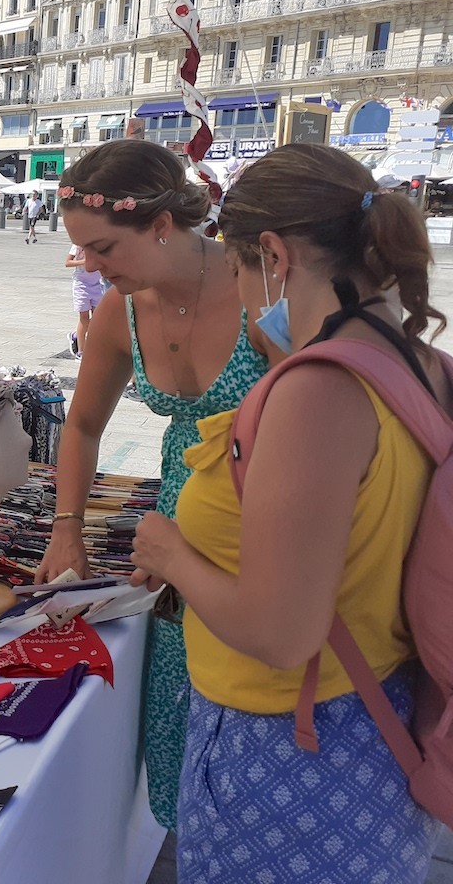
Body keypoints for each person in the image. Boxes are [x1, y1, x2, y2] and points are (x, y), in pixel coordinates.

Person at [130, 144, 445, 881]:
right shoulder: (416, 360)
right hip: (377, 716)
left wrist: (171, 552)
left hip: (292, 754)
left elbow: (280, 633)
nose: (240, 293)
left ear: (272, 254)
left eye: (240, 269)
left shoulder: (319, 392)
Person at [34, 139, 267, 834]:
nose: (88, 266)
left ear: (162, 225)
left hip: (263, 531)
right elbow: (80, 427)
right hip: (170, 541)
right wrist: (66, 525)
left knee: (253, 723)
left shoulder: (261, 291)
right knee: (179, 731)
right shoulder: (120, 310)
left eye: (101, 247)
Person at [64, 244, 102, 357]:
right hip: (81, 284)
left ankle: (92, 347)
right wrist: (84, 262)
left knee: (98, 319)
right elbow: (67, 262)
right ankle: (81, 352)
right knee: (84, 318)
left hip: (98, 283)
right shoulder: (78, 244)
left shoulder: (101, 243)